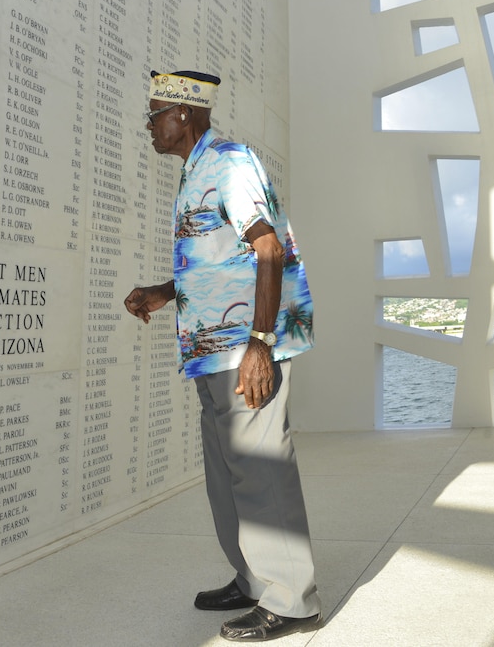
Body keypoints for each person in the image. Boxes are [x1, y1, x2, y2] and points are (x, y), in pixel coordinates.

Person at [124, 70, 321, 642]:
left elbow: (267, 248)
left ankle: (291, 602)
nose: (149, 126)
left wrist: (259, 344)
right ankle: (253, 579)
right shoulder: (197, 170)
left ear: (184, 115)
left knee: (260, 472)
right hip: (212, 353)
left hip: (244, 350)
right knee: (226, 476)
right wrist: (167, 291)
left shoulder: (229, 161)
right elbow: (222, 259)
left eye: (155, 113)